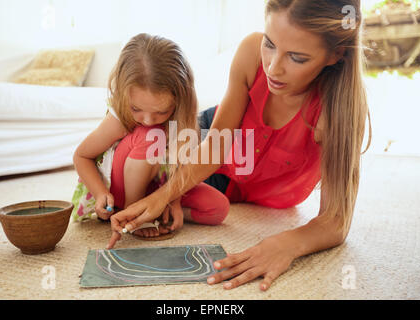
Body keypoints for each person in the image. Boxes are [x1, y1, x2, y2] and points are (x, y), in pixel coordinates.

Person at [108, 0, 372, 291]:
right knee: (149, 153)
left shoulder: (338, 113)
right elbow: (216, 146)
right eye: (269, 43)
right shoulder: (250, 52)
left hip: (245, 186)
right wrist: (164, 196)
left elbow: (336, 220)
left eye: (296, 58)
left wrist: (285, 244)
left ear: (337, 54)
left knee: (179, 194)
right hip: (215, 140)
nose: (273, 67)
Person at [71, 33, 230, 241]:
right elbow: (81, 156)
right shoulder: (121, 116)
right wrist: (100, 193)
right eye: (136, 109)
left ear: (178, 101)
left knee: (218, 207)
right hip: (121, 186)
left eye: (161, 112)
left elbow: (181, 167)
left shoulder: (182, 117)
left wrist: (172, 202)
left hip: (158, 187)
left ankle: (158, 212)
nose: (147, 119)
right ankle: (132, 212)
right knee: (150, 136)